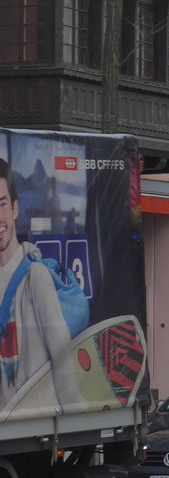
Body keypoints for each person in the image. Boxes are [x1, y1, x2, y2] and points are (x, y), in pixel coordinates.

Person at [0, 158, 80, 413]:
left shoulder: (35, 276)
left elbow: (62, 356)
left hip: (35, 423)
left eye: (1, 205)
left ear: (14, 208)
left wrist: (76, 417)